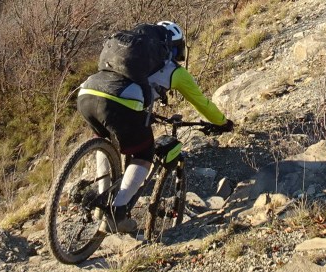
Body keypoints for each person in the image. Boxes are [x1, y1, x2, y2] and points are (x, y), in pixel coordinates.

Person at [75, 21, 232, 232]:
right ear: (173, 48)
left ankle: (102, 200)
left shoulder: (127, 56)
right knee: (144, 153)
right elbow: (202, 103)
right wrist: (223, 123)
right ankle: (116, 213)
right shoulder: (174, 71)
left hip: (87, 93)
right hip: (120, 102)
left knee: (104, 141)